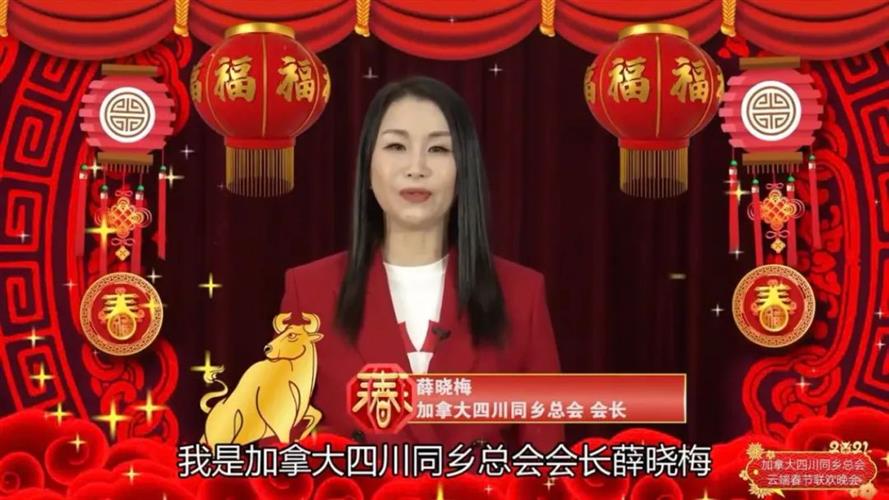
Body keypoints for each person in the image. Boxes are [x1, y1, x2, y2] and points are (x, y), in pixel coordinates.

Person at [279, 76, 562, 451]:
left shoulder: (522, 295)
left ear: (464, 171)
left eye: (439, 149)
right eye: (396, 146)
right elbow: (280, 450)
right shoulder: (309, 291)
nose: (416, 167)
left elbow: (544, 461)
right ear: (368, 167)